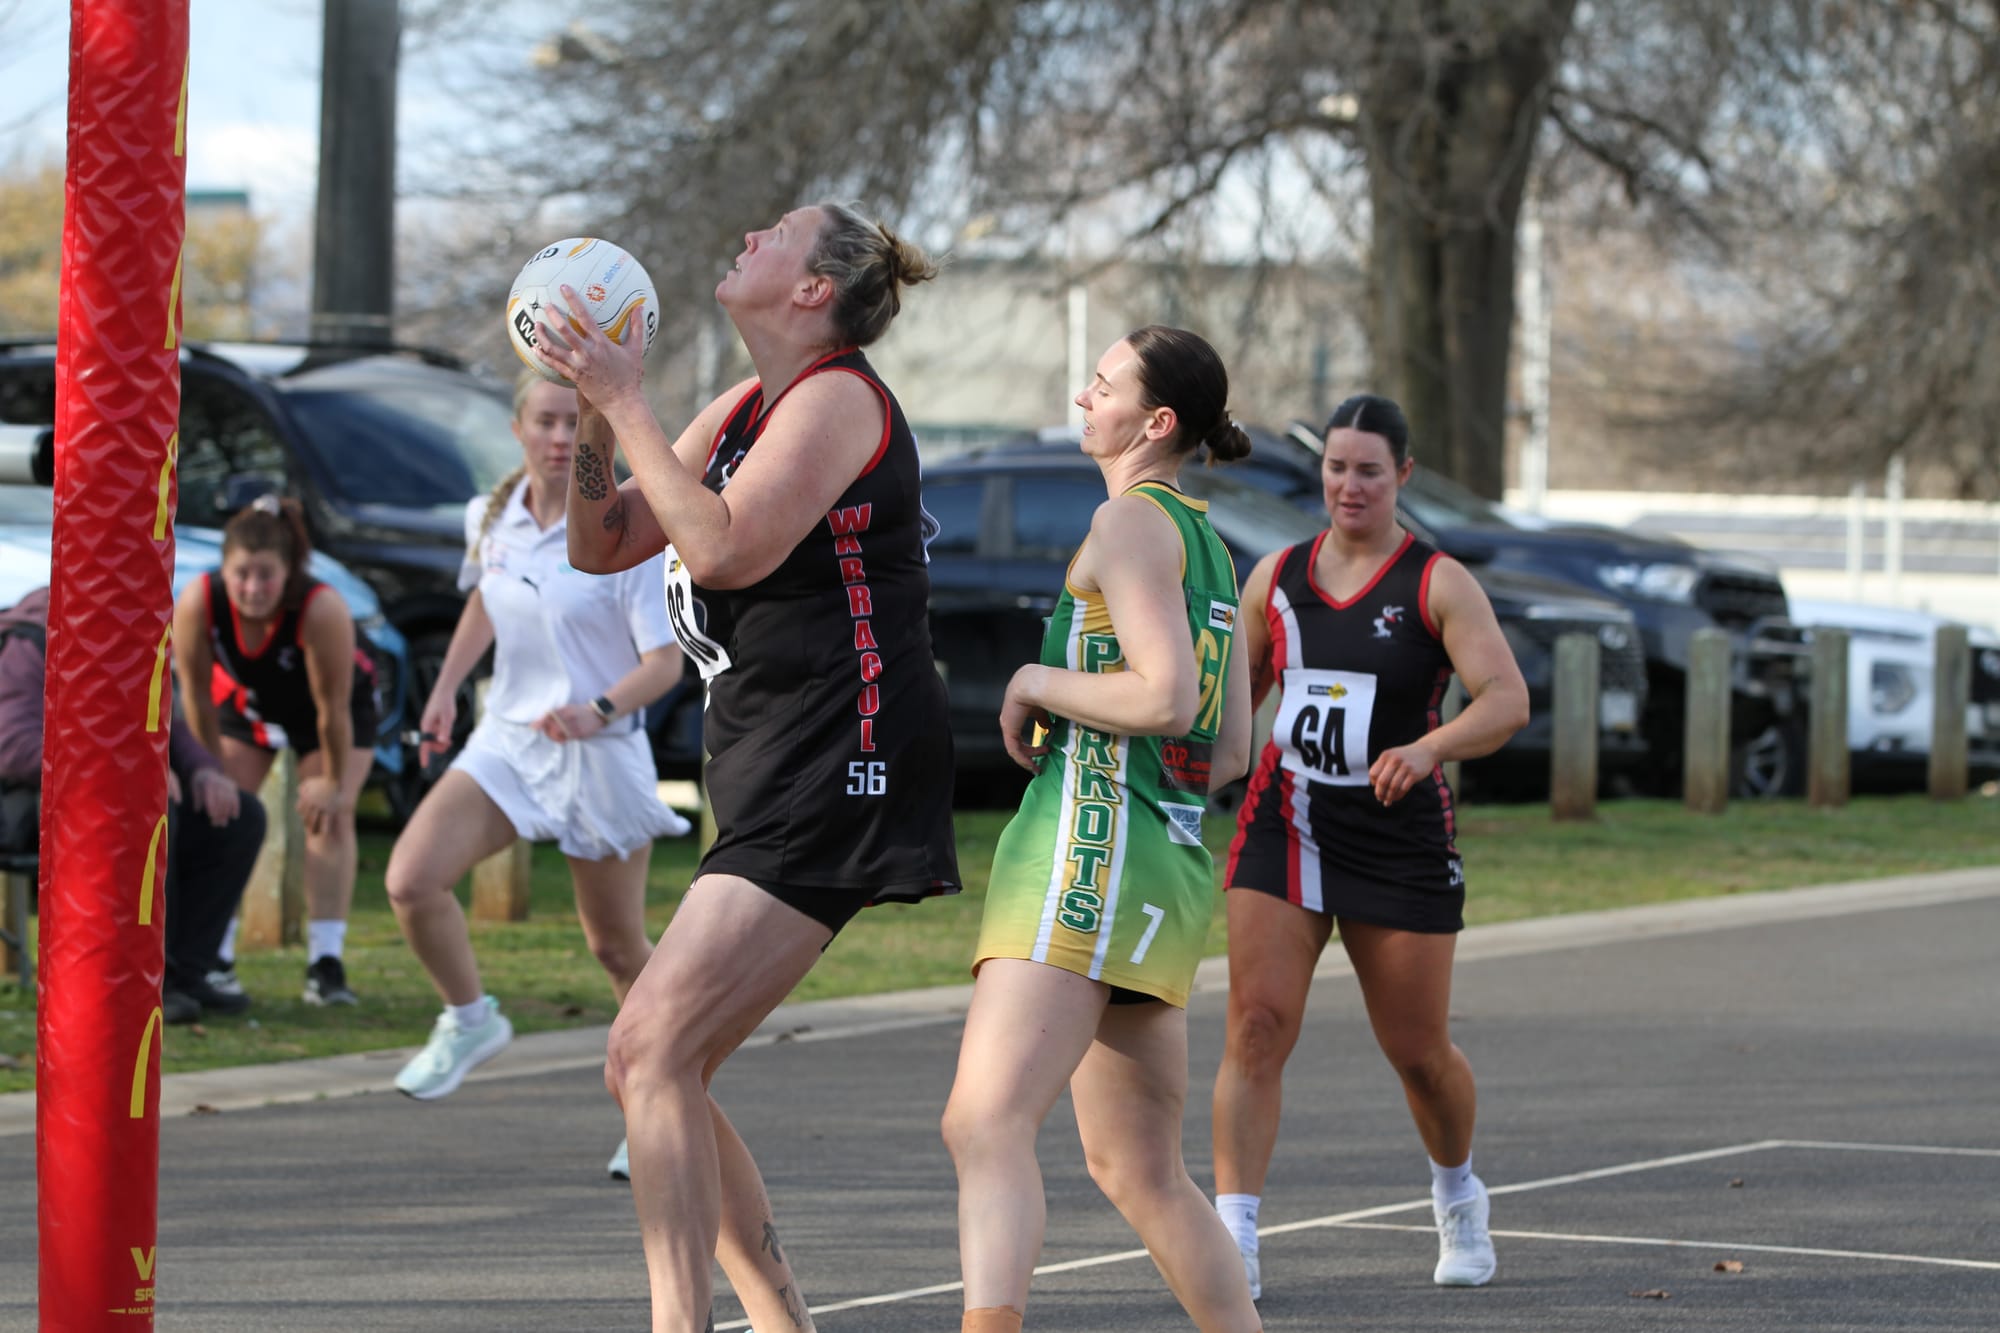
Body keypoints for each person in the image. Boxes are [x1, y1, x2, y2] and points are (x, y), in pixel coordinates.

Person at [538, 202, 960, 1332]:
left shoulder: (837, 400)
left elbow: (724, 543)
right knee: (653, 1063)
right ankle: (779, 1319)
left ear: (812, 289)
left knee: (648, 1046)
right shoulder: (739, 409)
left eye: (772, 232)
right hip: (770, 758)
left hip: (848, 755)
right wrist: (590, 413)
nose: (746, 235)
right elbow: (600, 544)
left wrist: (627, 397)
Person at [940, 327, 1260, 1333]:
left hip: (1090, 844)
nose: (1082, 395)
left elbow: (1167, 697)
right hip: (1162, 863)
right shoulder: (1208, 540)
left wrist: (1036, 679)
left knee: (983, 1120)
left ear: (1155, 421)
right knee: (1137, 1168)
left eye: (1102, 382)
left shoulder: (1126, 526)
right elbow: (1235, 745)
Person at [1208, 392, 1530, 1298]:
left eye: (1369, 471)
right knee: (1256, 1023)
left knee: (1419, 1052)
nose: (1349, 486)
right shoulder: (1278, 576)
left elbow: (1505, 700)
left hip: (1399, 838)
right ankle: (1235, 1239)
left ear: (1404, 477)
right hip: (1287, 821)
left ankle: (1458, 1192)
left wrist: (1429, 746)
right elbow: (1238, 702)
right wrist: (1191, 771)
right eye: (1337, 468)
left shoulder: (1435, 581)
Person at [384, 369, 690, 1180]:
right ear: (518, 429)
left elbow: (665, 663)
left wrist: (599, 706)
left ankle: (658, 1098)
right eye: (546, 422)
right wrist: (447, 690)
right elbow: (487, 600)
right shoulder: (490, 515)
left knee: (617, 946)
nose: (560, 439)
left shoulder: (622, 529)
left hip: (599, 750)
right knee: (412, 880)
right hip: (509, 742)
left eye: (573, 425)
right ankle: (470, 1019)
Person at [0, 586, 266, 1022]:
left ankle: (186, 973)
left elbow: (168, 723)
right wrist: (119, 770)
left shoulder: (129, 639)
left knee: (240, 816)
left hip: (112, 795)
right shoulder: (30, 642)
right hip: (30, 805)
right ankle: (143, 979)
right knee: (147, 810)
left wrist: (204, 771)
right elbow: (13, 746)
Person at [171, 494, 379, 1007]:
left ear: (288, 573)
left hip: (331, 713)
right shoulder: (199, 601)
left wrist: (331, 782)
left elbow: (332, 708)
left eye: (266, 575)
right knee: (221, 816)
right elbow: (195, 694)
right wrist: (209, 771)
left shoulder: (322, 608)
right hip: (246, 707)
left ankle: (324, 964)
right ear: (223, 569)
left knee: (328, 817)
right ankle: (212, 956)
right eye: (242, 574)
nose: (253, 589)